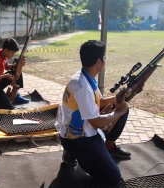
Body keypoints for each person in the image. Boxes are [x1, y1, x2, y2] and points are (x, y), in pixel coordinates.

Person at [56, 40, 136, 186]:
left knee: (124, 109)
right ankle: (74, 152)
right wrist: (118, 111)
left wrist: (119, 98)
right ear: (98, 61)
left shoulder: (85, 77)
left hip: (82, 131)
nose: (105, 61)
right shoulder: (83, 87)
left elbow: (101, 101)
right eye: (104, 58)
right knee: (112, 178)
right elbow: (96, 122)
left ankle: (105, 147)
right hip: (79, 140)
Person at [0, 38, 30, 109]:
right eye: (12, 53)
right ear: (6, 50)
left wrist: (17, 65)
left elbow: (6, 66)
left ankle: (16, 95)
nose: (13, 55)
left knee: (15, 71)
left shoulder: (1, 52)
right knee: (8, 108)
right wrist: (5, 76)